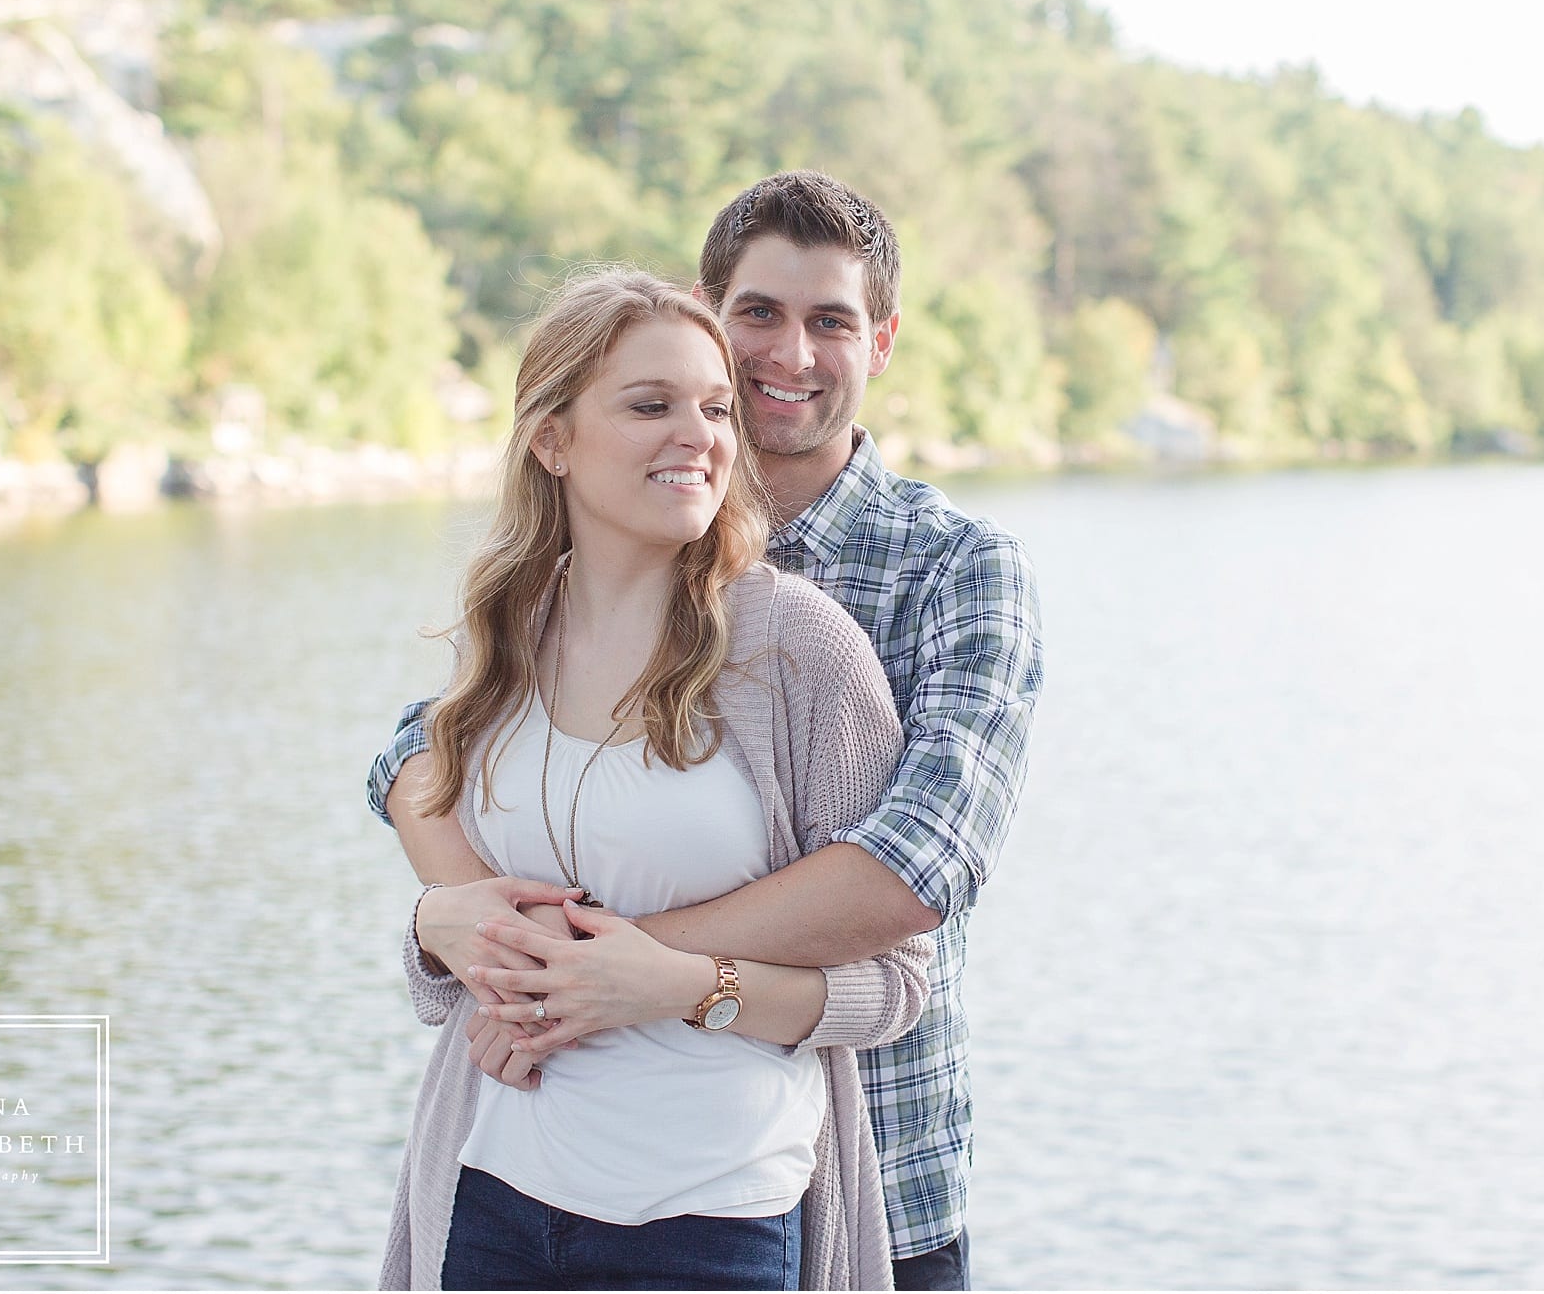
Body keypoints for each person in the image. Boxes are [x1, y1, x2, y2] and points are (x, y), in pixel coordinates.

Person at [373, 172, 1044, 1291]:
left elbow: (916, 865)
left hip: (873, 1146)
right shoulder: (576, 578)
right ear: (708, 316)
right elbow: (414, 753)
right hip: (546, 1152)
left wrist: (597, 969)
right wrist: (473, 928)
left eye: (830, 321)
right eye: (760, 315)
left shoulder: (950, 571)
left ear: (879, 342)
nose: (790, 353)